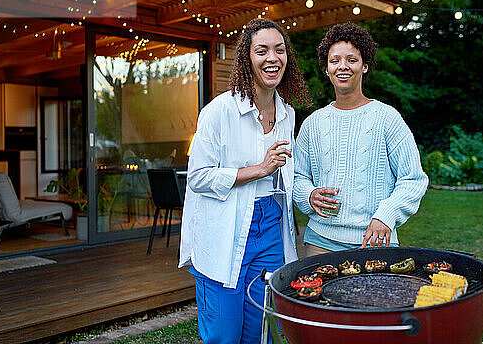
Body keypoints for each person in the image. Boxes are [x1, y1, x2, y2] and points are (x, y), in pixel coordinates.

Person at [178, 18, 312, 344]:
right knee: (224, 334)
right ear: (246, 58)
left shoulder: (287, 113)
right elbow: (197, 177)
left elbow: (287, 175)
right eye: (262, 50)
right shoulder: (218, 112)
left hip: (271, 227)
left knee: (258, 331)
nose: (272, 58)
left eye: (279, 50)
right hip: (224, 229)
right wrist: (258, 169)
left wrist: (309, 194)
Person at [293, 22, 428, 257]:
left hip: (375, 240)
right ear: (326, 69)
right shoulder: (312, 124)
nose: (342, 66)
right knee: (317, 295)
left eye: (351, 60)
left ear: (365, 66)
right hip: (320, 241)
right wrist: (308, 195)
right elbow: (296, 177)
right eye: (334, 61)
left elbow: (413, 180)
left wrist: (386, 216)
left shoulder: (387, 118)